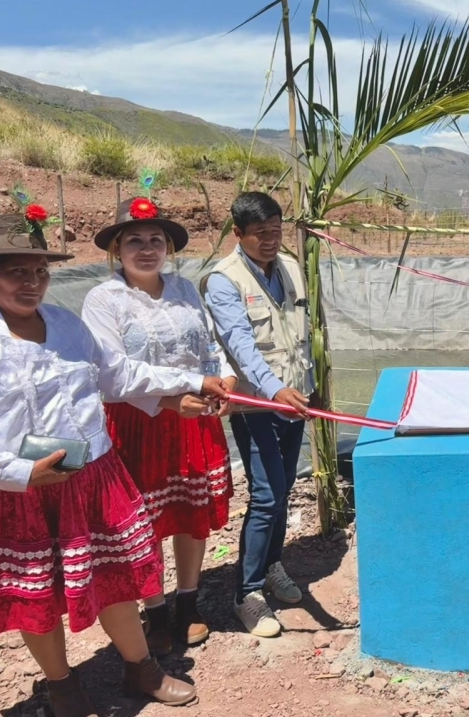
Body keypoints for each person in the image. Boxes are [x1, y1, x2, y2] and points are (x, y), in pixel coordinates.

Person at [0, 210, 228, 716]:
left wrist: (191, 384)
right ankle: (62, 685)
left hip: (91, 477)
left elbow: (117, 374)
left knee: (116, 576)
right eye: (16, 271)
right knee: (35, 595)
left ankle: (142, 669)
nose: (31, 282)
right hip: (16, 491)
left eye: (39, 271)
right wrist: (21, 473)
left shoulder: (65, 325)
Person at [81, 197, 237, 655]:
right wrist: (181, 390)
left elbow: (208, 342)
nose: (146, 249)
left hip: (194, 418)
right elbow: (115, 373)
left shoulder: (185, 289)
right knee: (143, 518)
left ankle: (187, 600)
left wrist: (222, 377)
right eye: (134, 241)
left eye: (155, 240)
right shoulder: (104, 300)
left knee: (190, 515)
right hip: (139, 420)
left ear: (167, 246)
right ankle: (155, 607)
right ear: (116, 250)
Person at [202, 192, 316, 638]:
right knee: (267, 495)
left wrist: (306, 387)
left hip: (295, 397)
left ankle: (272, 566)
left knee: (284, 488)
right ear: (238, 234)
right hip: (258, 404)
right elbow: (240, 347)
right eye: (260, 234)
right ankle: (246, 593)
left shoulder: (288, 267)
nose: (270, 240)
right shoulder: (223, 280)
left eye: (276, 231)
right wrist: (275, 390)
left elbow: (302, 331)